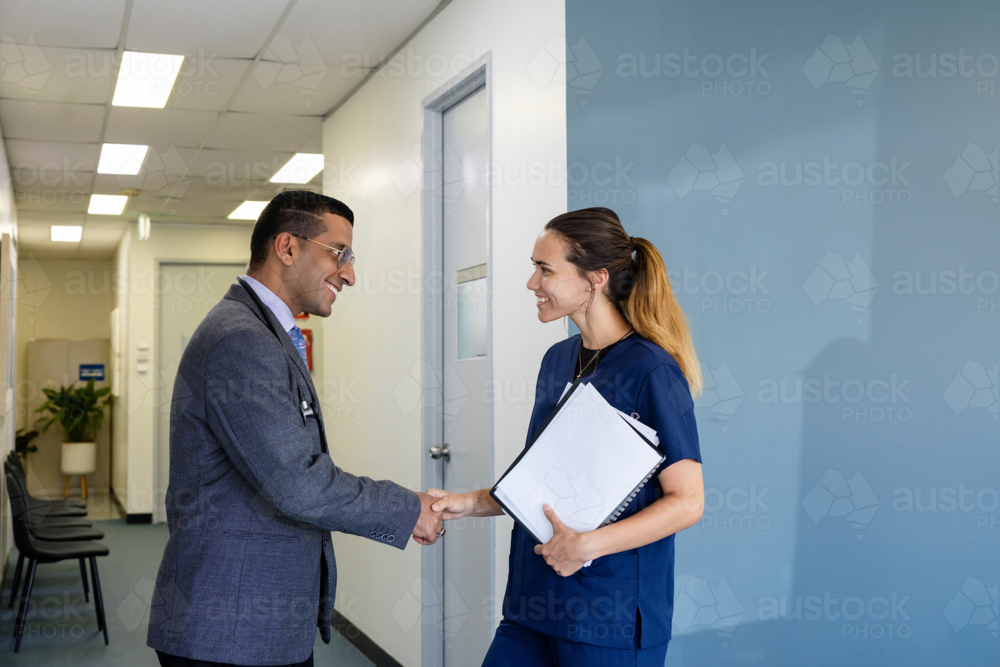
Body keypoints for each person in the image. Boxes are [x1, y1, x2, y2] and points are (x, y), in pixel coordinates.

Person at [147, 191, 444, 667]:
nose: (348, 273)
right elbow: (297, 482)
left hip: (249, 622)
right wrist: (408, 508)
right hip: (231, 628)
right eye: (338, 253)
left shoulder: (263, 332)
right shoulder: (241, 339)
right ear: (287, 248)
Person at [428, 207, 705, 666]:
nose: (531, 283)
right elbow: (544, 478)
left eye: (544, 269)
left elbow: (688, 501)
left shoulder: (652, 371)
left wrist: (586, 545)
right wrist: (471, 502)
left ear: (595, 279)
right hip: (533, 605)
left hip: (607, 617)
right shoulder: (558, 360)